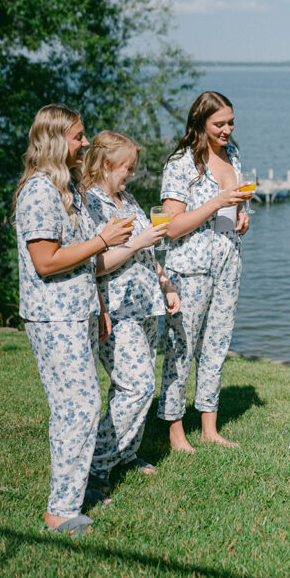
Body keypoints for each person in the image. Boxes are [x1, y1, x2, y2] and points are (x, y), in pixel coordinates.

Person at [14, 105, 132, 536]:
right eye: (78, 137)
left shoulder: (68, 191)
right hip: (53, 316)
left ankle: (73, 495)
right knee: (77, 409)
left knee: (82, 406)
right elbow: (45, 261)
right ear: (54, 139)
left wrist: (99, 307)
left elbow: (83, 262)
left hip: (77, 311)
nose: (85, 143)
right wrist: (103, 239)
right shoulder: (39, 192)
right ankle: (59, 512)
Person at [82, 131, 181, 494]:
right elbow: (94, 263)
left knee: (131, 386)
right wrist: (139, 241)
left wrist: (166, 283)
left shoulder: (127, 199)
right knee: (138, 386)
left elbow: (146, 251)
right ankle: (96, 465)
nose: (132, 175)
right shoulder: (89, 204)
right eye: (128, 168)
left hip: (147, 304)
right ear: (106, 165)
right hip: (116, 308)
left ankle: (127, 454)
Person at [157, 91, 250, 452]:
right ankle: (175, 431)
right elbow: (171, 227)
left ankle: (209, 427)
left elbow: (227, 215)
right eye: (219, 124)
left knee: (217, 345)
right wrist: (216, 203)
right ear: (201, 123)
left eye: (231, 122)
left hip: (228, 262)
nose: (227, 129)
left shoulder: (234, 154)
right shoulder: (180, 163)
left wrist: (238, 219)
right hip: (190, 269)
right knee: (182, 348)